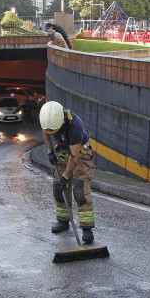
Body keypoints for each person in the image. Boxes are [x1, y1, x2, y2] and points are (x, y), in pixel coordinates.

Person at [40, 101, 96, 243]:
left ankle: (86, 228)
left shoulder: (75, 125)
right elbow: (45, 131)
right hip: (63, 152)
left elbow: (75, 156)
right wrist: (49, 150)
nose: (52, 133)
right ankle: (63, 221)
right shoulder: (48, 118)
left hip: (80, 153)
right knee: (58, 189)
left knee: (80, 189)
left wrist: (65, 177)